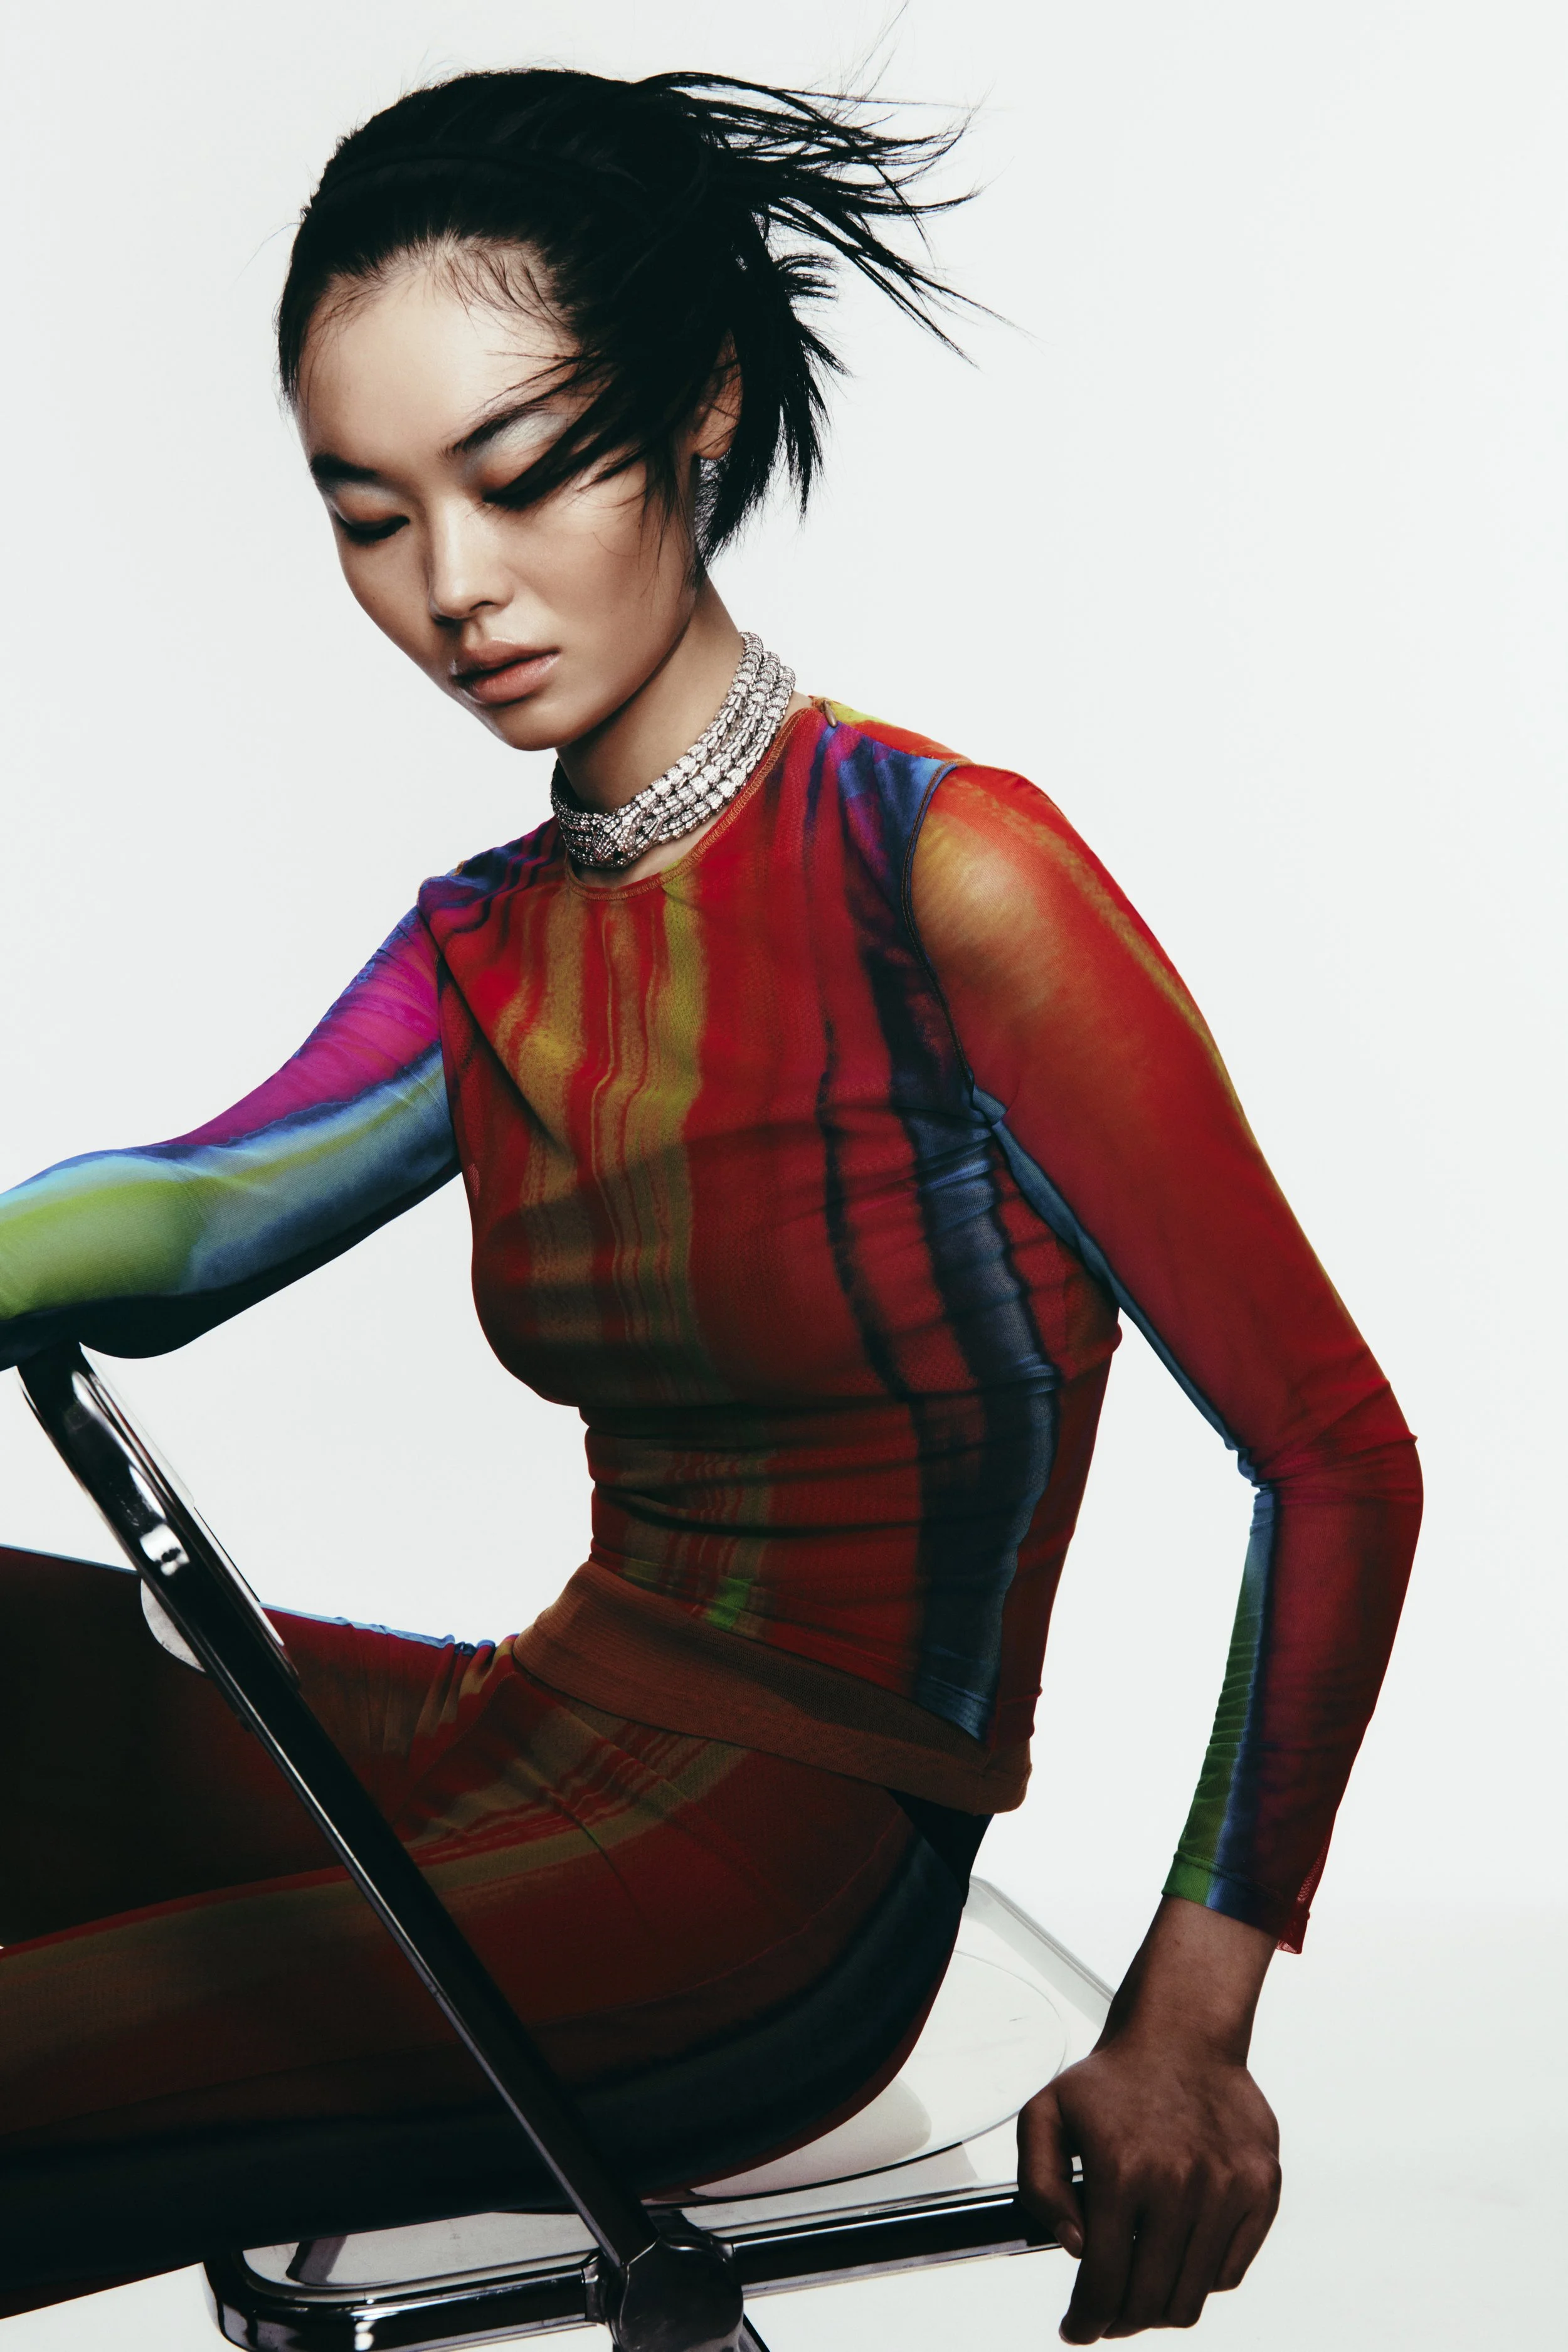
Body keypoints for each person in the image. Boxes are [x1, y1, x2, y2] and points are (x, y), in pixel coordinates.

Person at [0, 66, 1421, 2340]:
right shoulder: (489, 941)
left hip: (776, 1887)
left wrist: (1192, 2014)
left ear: (699, 414)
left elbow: (1336, 1453)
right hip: (533, 1733)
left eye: (521, 474)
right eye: (369, 514)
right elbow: (180, 1226)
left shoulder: (944, 876)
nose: (452, 587)